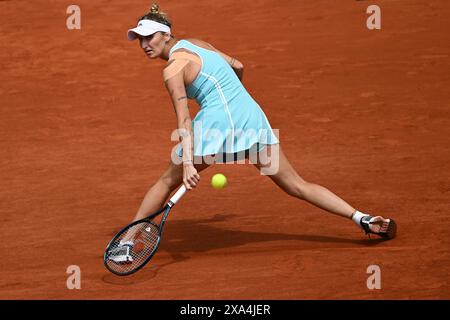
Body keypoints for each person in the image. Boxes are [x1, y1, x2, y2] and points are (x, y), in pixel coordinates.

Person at [109, 3, 396, 263]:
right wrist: (235, 100)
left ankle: (125, 243)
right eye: (140, 39)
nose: (144, 44)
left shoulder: (172, 69)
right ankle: (362, 218)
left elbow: (184, 119)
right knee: (295, 184)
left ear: (166, 36)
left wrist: (187, 165)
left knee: (166, 181)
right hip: (252, 121)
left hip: (215, 128)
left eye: (150, 37)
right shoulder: (197, 43)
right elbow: (238, 65)